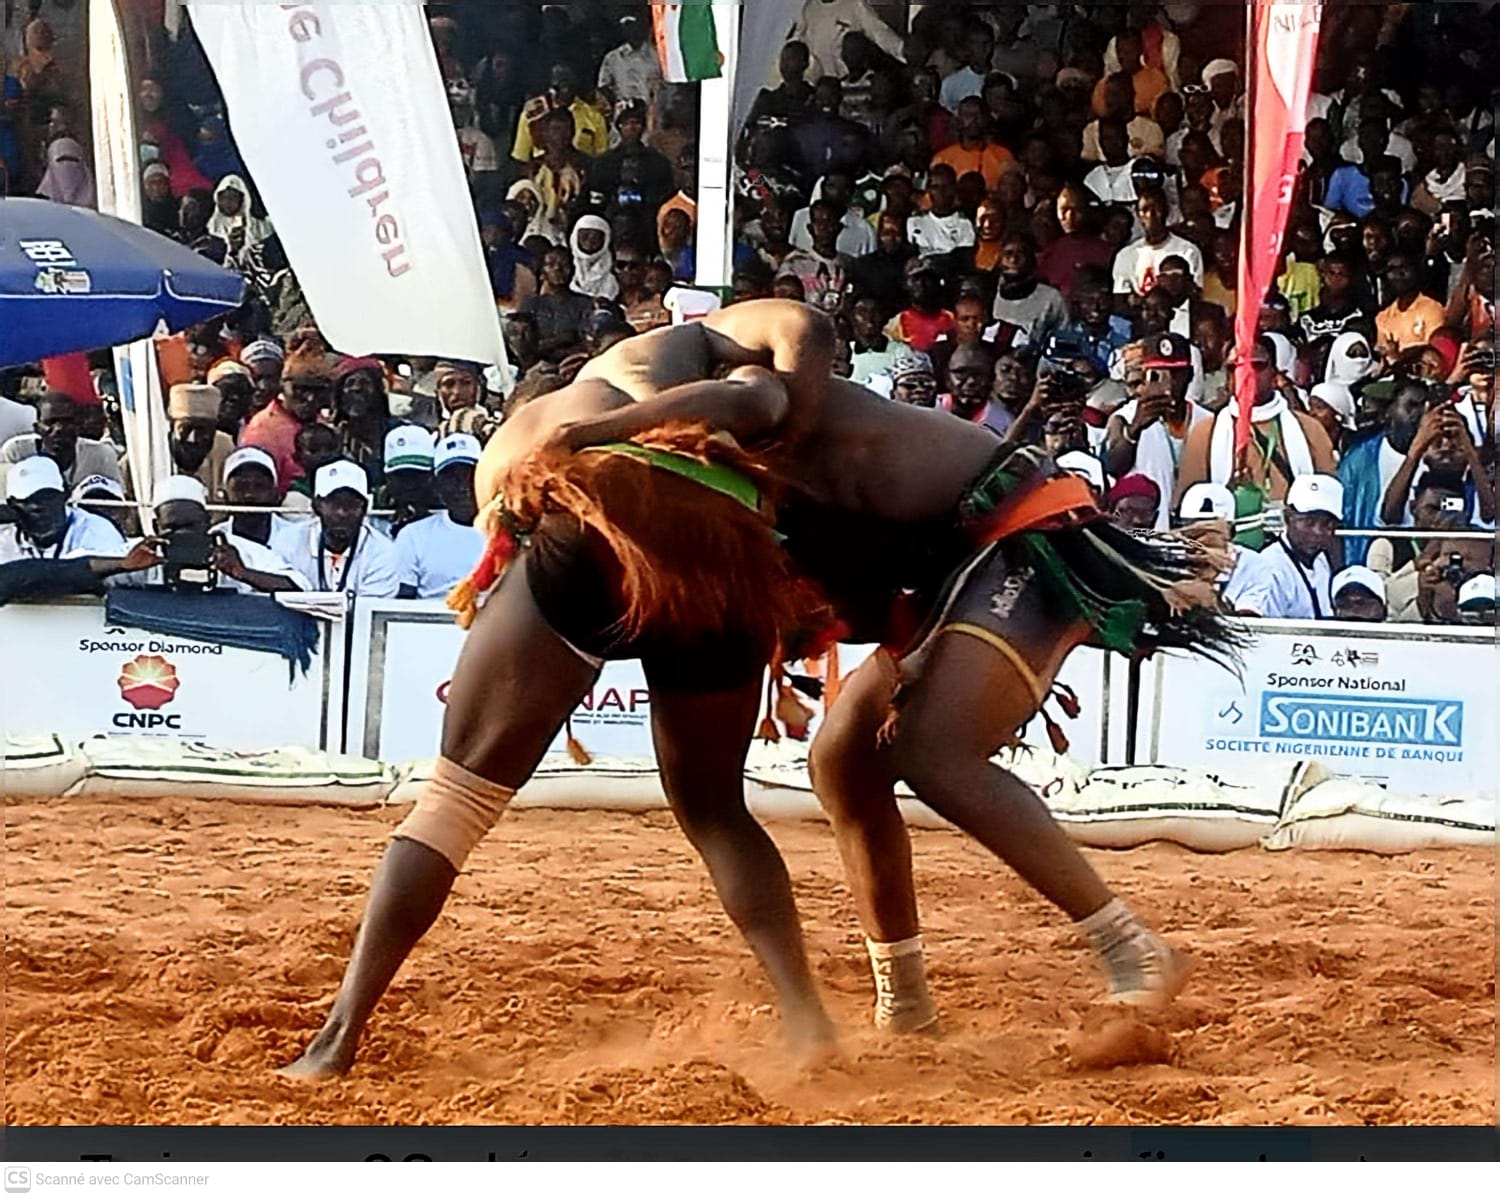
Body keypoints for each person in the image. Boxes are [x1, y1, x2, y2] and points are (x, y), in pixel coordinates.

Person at [281, 299, 1232, 1077]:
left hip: (1007, 535)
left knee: (925, 752)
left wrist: (605, 433)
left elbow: (782, 377)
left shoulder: (701, 361)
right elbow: (759, 410)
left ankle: (1128, 947)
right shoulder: (690, 392)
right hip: (754, 556)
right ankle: (896, 1009)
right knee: (836, 763)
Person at [1176, 336, 1336, 506]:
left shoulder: (1309, 429)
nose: (1246, 374)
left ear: (1275, 373)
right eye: (1235, 368)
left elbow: (1330, 499)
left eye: (1257, 366)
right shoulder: (1206, 432)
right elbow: (1189, 504)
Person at [1104, 336, 1209, 530]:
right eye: (1158, 373)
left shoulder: (1207, 421)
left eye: (1175, 373)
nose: (1168, 382)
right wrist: (1136, 427)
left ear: (1189, 375)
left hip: (1192, 533)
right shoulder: (1125, 417)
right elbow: (1113, 467)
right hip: (1144, 532)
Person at [272, 461, 399, 599]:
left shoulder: (383, 551)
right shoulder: (288, 541)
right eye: (334, 503)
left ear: (365, 508)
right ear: (317, 505)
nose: (342, 513)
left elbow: (368, 610)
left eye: (352, 505)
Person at [239, 333, 331, 497]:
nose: (310, 398)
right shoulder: (262, 431)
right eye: (300, 389)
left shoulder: (324, 423)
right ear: (283, 386)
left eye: (318, 390)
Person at [394, 434, 485, 601]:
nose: (462, 486)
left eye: (469, 475)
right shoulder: (413, 536)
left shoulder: (508, 535)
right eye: (451, 478)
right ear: (436, 485)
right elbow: (401, 604)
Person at [1176, 482, 1276, 617]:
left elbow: (1249, 620)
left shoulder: (1254, 566)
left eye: (1207, 532)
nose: (1197, 542)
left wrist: (1207, 598)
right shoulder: (1170, 560)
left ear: (1230, 531)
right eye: (1190, 531)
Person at [0, 391, 122, 495]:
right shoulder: (17, 452)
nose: (59, 429)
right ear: (37, 428)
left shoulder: (101, 455)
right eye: (50, 422)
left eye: (67, 422)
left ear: (79, 425)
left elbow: (119, 507)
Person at [1258, 474, 1343, 620]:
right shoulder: (1269, 568)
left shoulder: (1320, 559)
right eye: (1308, 522)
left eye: (1326, 524)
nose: (1317, 532)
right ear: (1287, 517)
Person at [1113, 189, 1204, 304]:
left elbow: (1195, 295)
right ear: (1138, 215)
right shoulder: (1125, 255)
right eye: (1145, 210)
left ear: (1166, 210)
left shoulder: (1188, 251)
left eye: (1156, 208)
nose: (1151, 215)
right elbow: (1120, 302)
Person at [512, 63, 609, 163]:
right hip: (540, 171)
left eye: (567, 84)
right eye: (559, 85)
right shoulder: (532, 114)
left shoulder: (594, 117)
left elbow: (601, 159)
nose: (565, 90)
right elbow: (521, 158)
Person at [790, 0, 906, 81]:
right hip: (821, 84)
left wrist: (903, 51)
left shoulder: (855, 3)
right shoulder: (808, 8)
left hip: (853, 81)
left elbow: (879, 32)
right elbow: (797, 43)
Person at [212, 447, 302, 549]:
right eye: (240, 487)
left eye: (260, 486)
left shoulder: (297, 538)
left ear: (276, 495)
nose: (249, 495)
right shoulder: (213, 538)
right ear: (225, 495)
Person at [989, 233, 1068, 343]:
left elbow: (1063, 336)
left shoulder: (1051, 298)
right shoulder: (988, 293)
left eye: (1020, 253)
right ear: (999, 258)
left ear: (1031, 258)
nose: (1013, 259)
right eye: (1008, 253)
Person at [165, 383, 234, 499]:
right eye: (186, 429)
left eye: (202, 431)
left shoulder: (224, 448)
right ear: (172, 427)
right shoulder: (150, 449)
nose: (192, 438)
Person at [780, 200, 850, 313]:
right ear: (810, 228)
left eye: (829, 221)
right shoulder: (794, 262)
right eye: (818, 222)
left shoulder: (849, 264)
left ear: (839, 227)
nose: (824, 227)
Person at [1375, 250, 1447, 357]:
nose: (1398, 273)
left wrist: (1399, 355)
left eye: (1404, 267)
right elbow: (1384, 355)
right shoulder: (1383, 317)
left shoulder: (1433, 308)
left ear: (1416, 271)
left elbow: (1433, 352)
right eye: (1392, 269)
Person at [932, 97, 1014, 191]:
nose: (974, 120)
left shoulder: (1003, 156)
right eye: (968, 115)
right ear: (959, 120)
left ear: (986, 119)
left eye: (978, 115)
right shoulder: (942, 159)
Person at [376, 426, 438, 540]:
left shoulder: (450, 508)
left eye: (417, 474)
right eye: (401, 475)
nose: (410, 484)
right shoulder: (371, 512)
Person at [885, 258, 956, 353]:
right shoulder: (896, 324)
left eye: (928, 278)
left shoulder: (951, 320)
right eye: (915, 279)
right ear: (906, 284)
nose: (922, 283)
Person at [906, 164, 975, 257]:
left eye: (946, 186)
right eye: (935, 186)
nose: (941, 192)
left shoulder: (964, 225)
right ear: (928, 189)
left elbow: (961, 260)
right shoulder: (914, 222)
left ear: (954, 188)